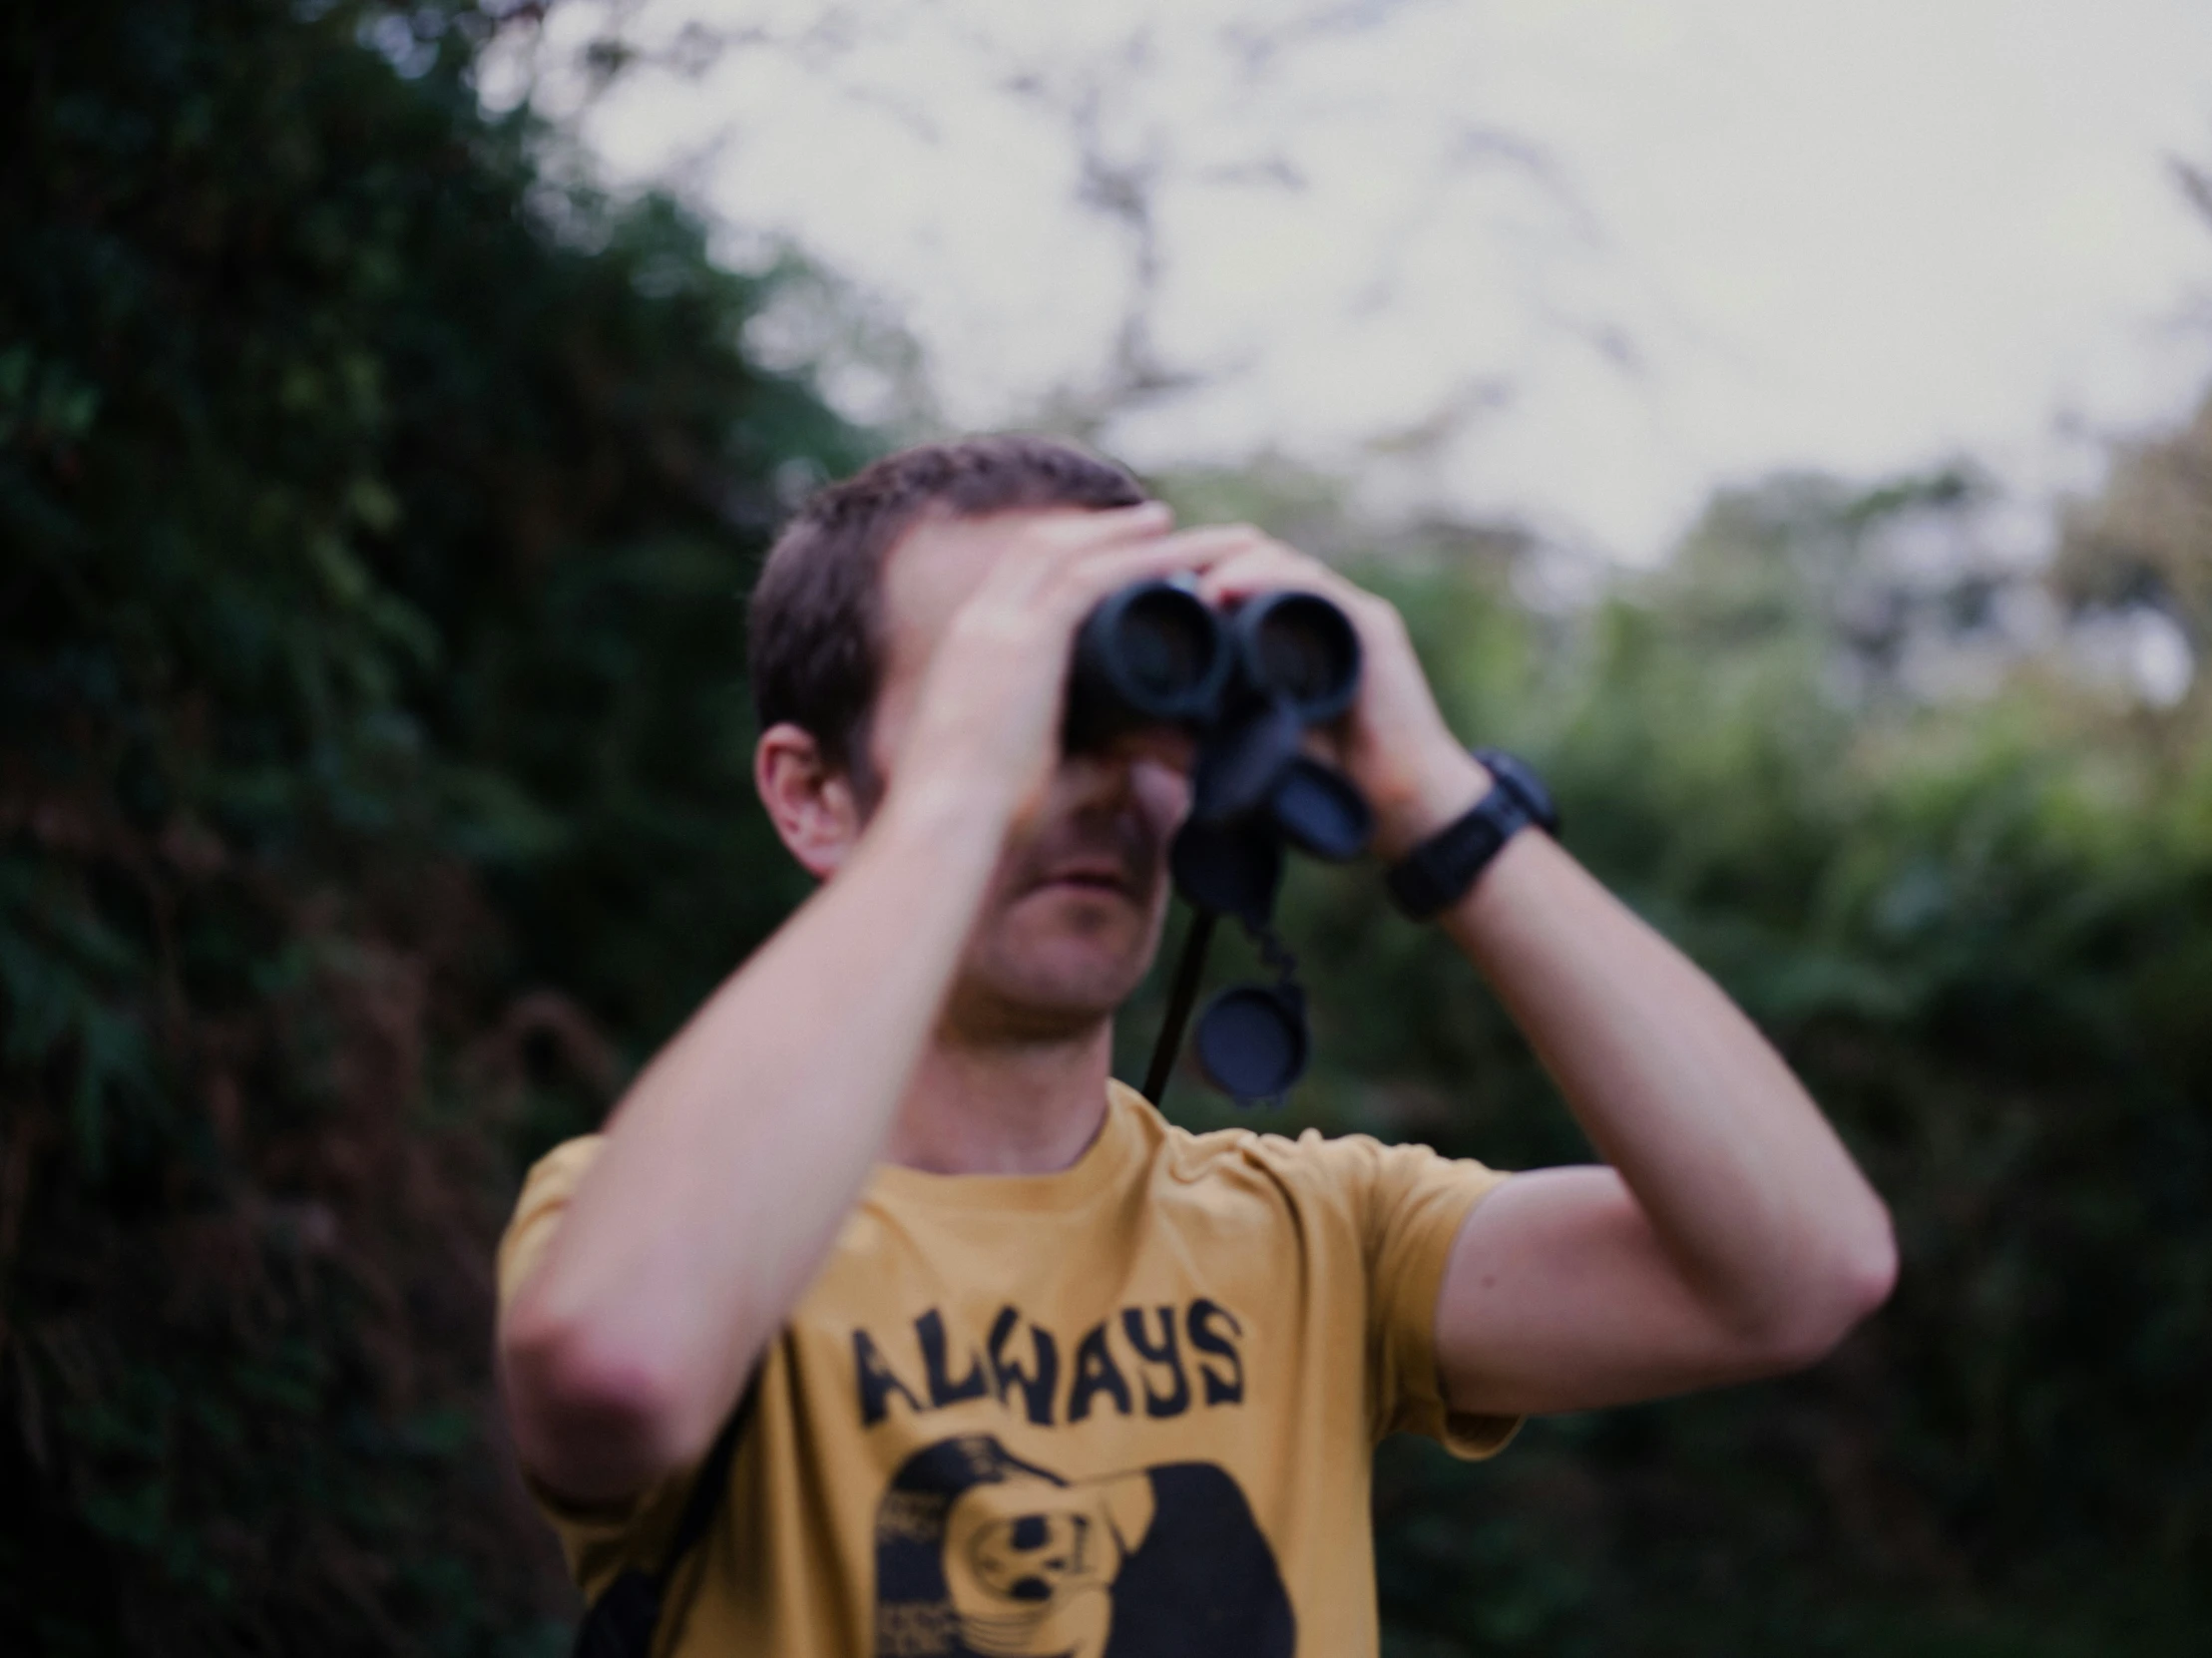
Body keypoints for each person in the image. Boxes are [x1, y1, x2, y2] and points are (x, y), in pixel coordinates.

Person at [495, 435, 1897, 1656]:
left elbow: (1802, 1271)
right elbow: (620, 1366)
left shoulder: (1316, 1237)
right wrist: (965, 797)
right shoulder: (658, 1220)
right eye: (1016, 704)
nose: (1099, 785)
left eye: (1127, 712)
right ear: (814, 793)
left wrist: (1437, 802)